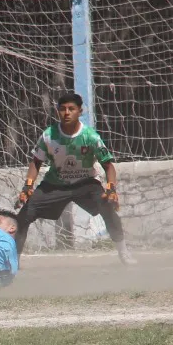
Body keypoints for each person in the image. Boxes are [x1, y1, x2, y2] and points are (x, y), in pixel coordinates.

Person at [15, 92, 134, 265]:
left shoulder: (90, 137)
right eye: (62, 109)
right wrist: (28, 186)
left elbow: (108, 166)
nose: (67, 113)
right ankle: (14, 261)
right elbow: (36, 162)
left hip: (85, 184)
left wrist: (111, 189)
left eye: (71, 109)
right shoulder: (49, 135)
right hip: (55, 184)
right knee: (24, 214)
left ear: (80, 111)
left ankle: (124, 253)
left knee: (108, 208)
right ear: (57, 112)